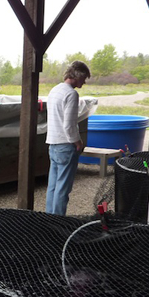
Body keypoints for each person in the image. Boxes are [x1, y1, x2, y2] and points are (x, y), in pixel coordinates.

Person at [45, 60, 91, 216]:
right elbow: (69, 125)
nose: (84, 82)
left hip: (52, 144)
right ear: (78, 76)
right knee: (63, 188)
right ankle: (58, 222)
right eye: (84, 78)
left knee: (53, 186)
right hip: (66, 145)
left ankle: (48, 218)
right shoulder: (71, 94)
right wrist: (77, 142)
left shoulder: (55, 90)